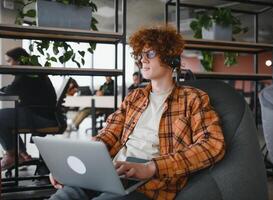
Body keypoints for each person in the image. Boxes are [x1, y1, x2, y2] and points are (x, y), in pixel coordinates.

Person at [49, 25, 225, 200]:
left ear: (170, 57)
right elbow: (108, 134)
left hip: (149, 182)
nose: (143, 61)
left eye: (150, 54)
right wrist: (72, 165)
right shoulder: (135, 97)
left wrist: (151, 167)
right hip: (110, 171)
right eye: (140, 56)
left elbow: (213, 144)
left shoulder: (193, 98)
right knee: (64, 195)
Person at [0, 47, 58, 170]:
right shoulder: (31, 72)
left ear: (19, 61)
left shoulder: (26, 73)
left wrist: (3, 89)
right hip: (42, 114)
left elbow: (11, 89)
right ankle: (21, 154)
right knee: (6, 119)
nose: (7, 65)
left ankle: (12, 155)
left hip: (40, 116)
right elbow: (13, 88)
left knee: (1, 118)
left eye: (9, 61)